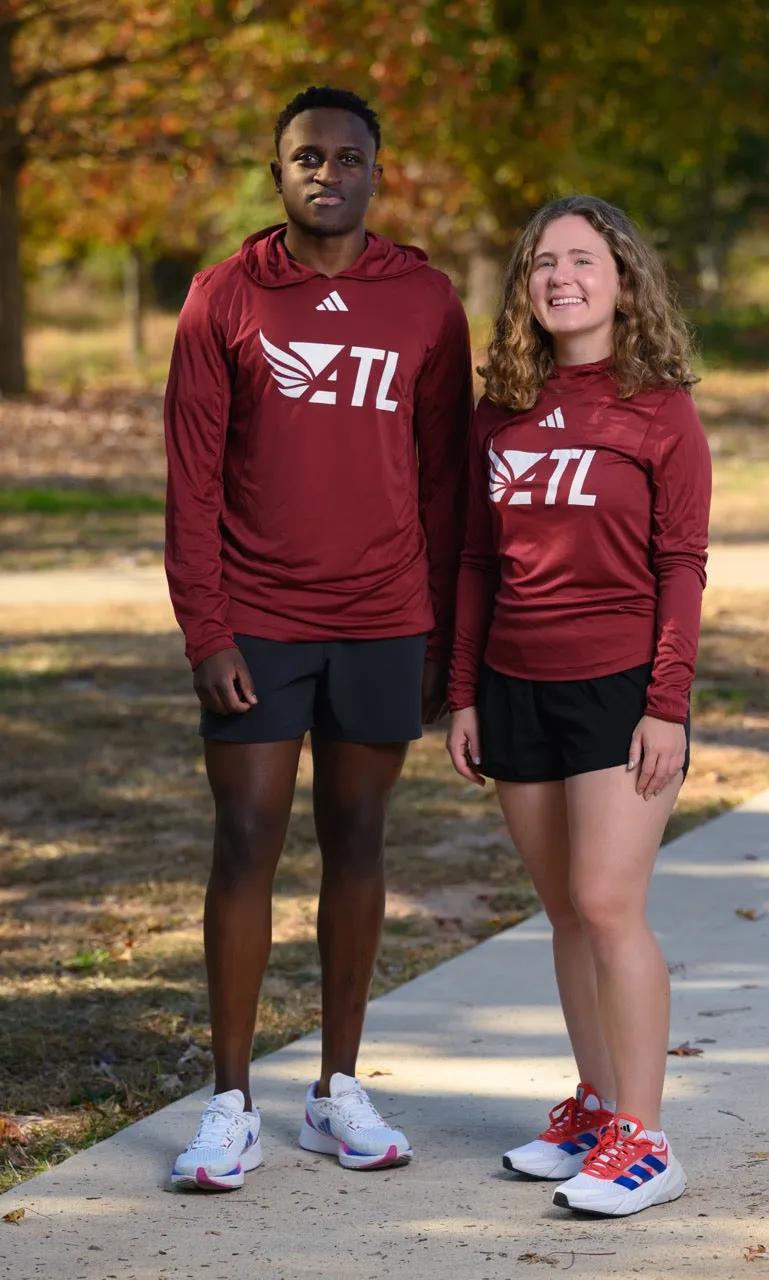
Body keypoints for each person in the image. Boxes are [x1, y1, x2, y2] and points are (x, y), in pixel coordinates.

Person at [164, 85, 472, 1190]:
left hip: (387, 617)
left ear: (375, 174)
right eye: (305, 156)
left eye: (347, 158)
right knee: (246, 837)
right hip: (257, 615)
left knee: (358, 836)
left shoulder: (428, 300)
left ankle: (338, 1086)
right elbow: (190, 482)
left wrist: (445, 636)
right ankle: (229, 1100)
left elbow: (446, 481)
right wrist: (208, 629)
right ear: (277, 169)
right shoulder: (222, 298)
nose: (326, 172)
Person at [446, 195, 711, 1217]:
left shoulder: (658, 407)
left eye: (581, 259)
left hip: (618, 688)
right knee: (562, 909)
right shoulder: (501, 406)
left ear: (622, 278)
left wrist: (667, 704)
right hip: (515, 685)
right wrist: (464, 692)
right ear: (525, 288)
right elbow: (474, 559)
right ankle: (598, 1107)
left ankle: (647, 1139)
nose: (560, 276)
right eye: (541, 262)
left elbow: (681, 562)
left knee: (608, 904)